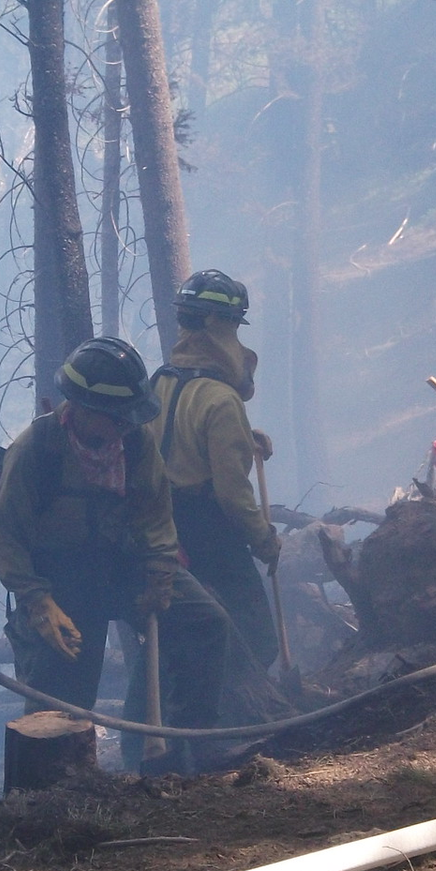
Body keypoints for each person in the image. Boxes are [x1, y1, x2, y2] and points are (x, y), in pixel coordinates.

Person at [0, 336, 228, 741]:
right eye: (116, 416)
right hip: (59, 581)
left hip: (124, 565)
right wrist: (37, 601)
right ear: (82, 408)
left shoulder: (135, 442)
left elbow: (156, 512)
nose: (125, 425)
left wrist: (159, 574)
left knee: (204, 623)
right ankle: (53, 794)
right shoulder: (37, 450)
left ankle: (189, 747)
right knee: (61, 700)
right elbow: (8, 535)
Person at [146, 270, 281, 668]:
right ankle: (239, 720)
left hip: (164, 525)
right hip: (209, 530)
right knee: (257, 641)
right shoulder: (220, 399)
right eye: (234, 325)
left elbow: (173, 442)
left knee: (185, 640)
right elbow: (232, 493)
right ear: (215, 324)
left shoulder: (162, 382)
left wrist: (243, 435)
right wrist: (263, 539)